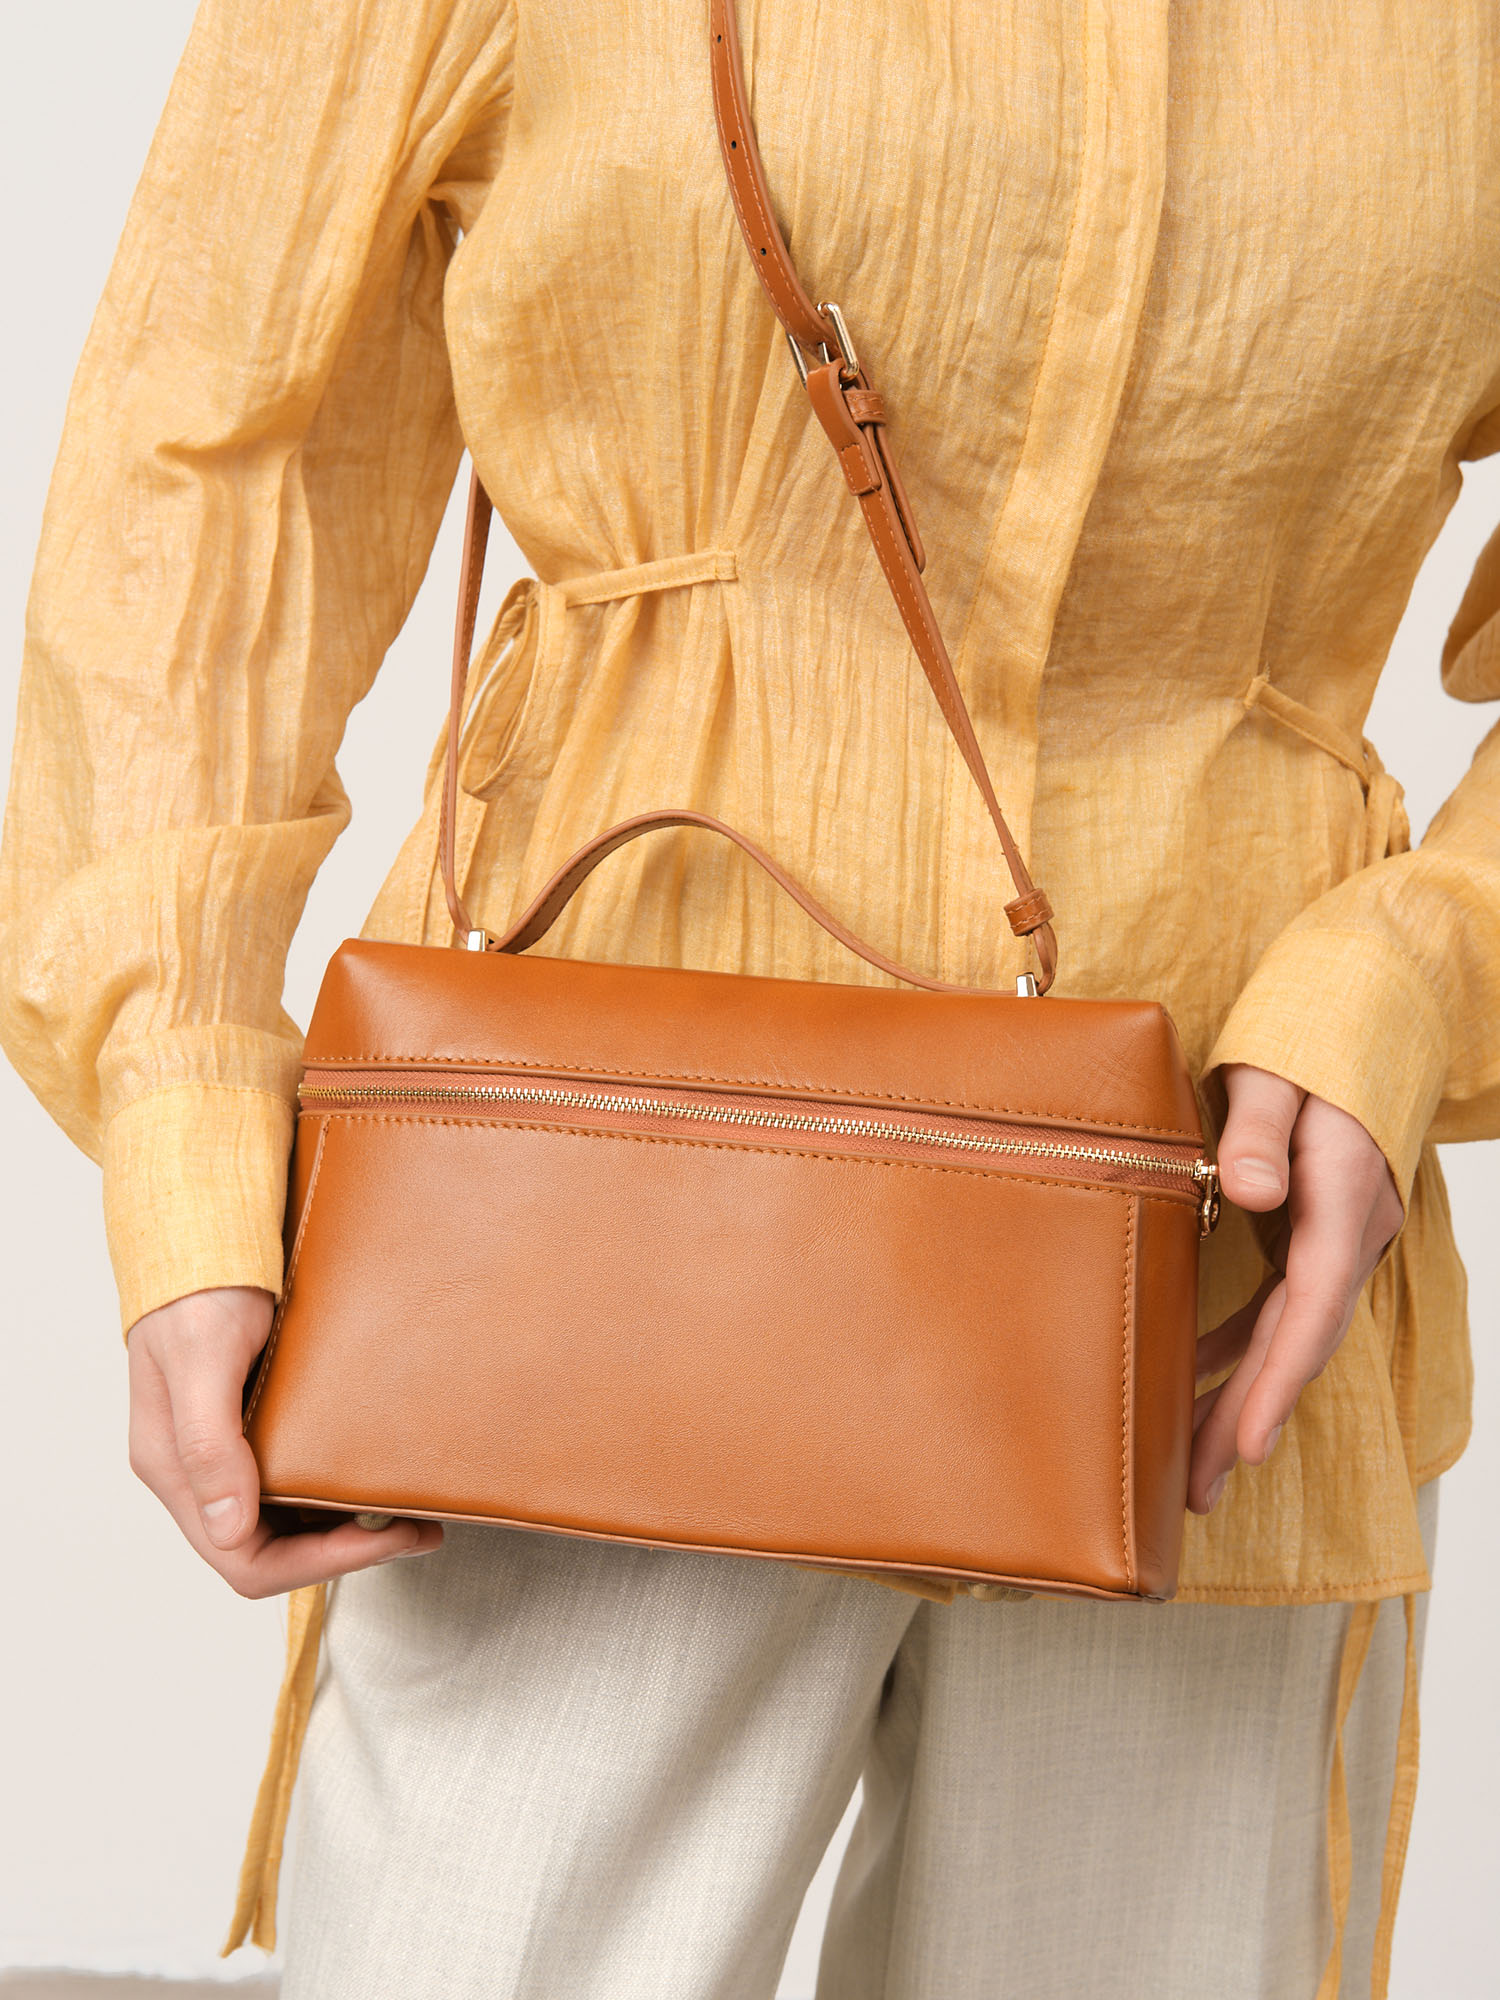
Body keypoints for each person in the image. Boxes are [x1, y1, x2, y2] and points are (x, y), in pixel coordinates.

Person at [2, 1, 1496, 1995]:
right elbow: (206, 458)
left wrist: (1421, 963)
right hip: (578, 1267)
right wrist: (185, 1107)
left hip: (1227, 1289)